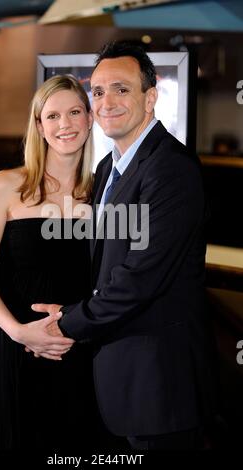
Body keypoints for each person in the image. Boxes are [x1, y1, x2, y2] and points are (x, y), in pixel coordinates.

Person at [31, 40, 218, 451]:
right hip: (119, 380)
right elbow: (104, 266)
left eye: (122, 89)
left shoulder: (171, 168)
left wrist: (63, 325)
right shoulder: (107, 167)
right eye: (97, 91)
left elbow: (139, 279)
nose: (106, 101)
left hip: (159, 389)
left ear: (150, 97)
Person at [0, 75, 107, 451]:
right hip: (17, 346)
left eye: (75, 112)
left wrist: (79, 328)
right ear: (40, 126)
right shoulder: (6, 185)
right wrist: (17, 331)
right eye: (53, 116)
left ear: (90, 119)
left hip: (81, 347)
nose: (65, 124)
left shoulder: (103, 193)